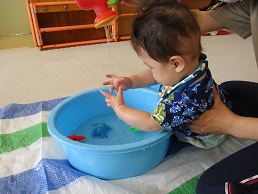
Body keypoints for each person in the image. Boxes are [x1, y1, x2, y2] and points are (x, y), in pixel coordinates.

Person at [100, 0, 232, 149]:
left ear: (176, 64)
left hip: (205, 135)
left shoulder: (183, 99)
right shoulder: (190, 67)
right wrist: (130, 81)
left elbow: (151, 124)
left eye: (151, 67)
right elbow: (153, 76)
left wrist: (120, 108)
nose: (151, 72)